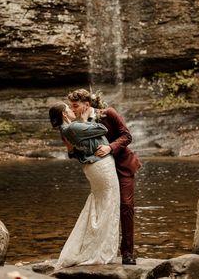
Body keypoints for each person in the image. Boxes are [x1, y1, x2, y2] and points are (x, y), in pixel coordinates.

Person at [67, 89, 142, 265]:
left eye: (75, 106)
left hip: (122, 167)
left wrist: (110, 148)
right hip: (102, 172)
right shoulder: (77, 125)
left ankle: (127, 252)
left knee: (126, 205)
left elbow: (127, 136)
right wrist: (70, 149)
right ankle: (100, 249)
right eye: (71, 106)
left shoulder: (108, 113)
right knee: (101, 208)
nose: (73, 109)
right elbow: (78, 152)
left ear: (87, 104)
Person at [49, 102, 120, 269]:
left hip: (94, 166)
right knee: (109, 205)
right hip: (101, 165)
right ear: (64, 115)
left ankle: (93, 247)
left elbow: (72, 152)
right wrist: (86, 118)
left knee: (101, 204)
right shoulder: (72, 128)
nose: (72, 110)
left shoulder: (66, 130)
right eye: (68, 109)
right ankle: (98, 251)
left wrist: (81, 120)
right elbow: (103, 130)